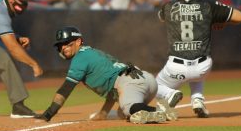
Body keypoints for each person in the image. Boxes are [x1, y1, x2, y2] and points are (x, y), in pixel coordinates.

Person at [154, 0, 241, 119]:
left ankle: (171, 94)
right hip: (203, 67)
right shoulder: (208, 6)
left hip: (176, 68)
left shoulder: (168, 7)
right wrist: (222, 21)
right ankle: (197, 100)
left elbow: (161, 18)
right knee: (196, 74)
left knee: (153, 86)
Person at [34, 26, 167, 124]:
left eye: (67, 43)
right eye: (60, 45)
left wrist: (48, 114)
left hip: (130, 82)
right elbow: (113, 89)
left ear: (79, 42)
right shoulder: (93, 52)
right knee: (122, 114)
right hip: (145, 80)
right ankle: (150, 110)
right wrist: (103, 113)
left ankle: (159, 112)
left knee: (130, 111)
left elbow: (65, 90)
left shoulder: (79, 58)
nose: (63, 48)